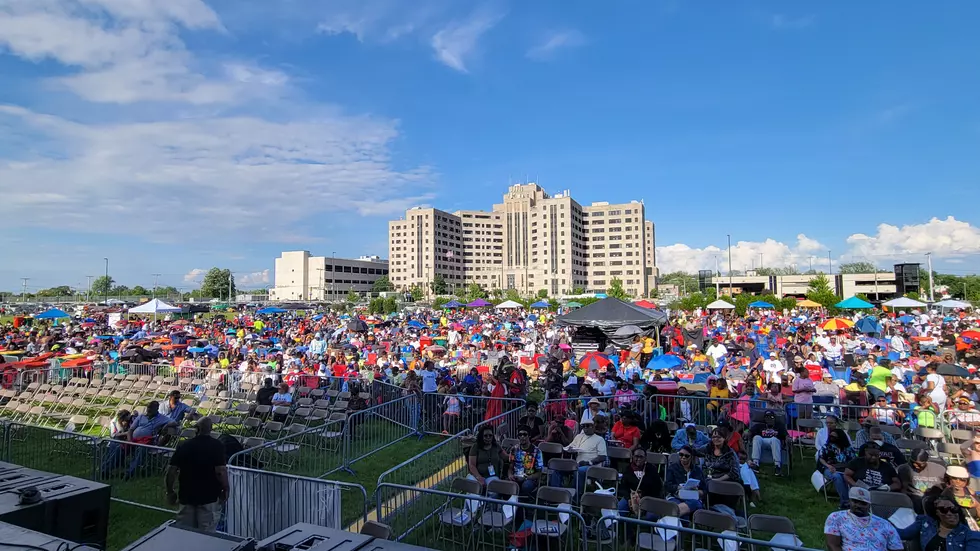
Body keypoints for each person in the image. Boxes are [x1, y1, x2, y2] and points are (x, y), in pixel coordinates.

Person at [165, 417, 228, 532]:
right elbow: (220, 471)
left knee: (184, 533)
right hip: (209, 496)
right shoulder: (217, 445)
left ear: (196, 429)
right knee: (206, 535)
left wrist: (170, 491)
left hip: (186, 495)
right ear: (211, 429)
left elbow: (171, 471)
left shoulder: (184, 445)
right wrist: (226, 488)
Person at [898, 488, 980, 551]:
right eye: (943, 510)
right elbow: (902, 534)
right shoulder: (925, 523)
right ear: (936, 513)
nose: (949, 513)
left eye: (953, 509)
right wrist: (885, 523)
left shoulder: (971, 535)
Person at [824, 487, 904, 551]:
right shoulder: (836, 517)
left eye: (863, 503)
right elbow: (833, 545)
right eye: (855, 501)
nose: (858, 505)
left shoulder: (884, 524)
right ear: (849, 501)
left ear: (869, 505)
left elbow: (897, 547)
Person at [548, 418, 607, 494]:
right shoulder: (579, 436)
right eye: (583, 426)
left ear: (593, 426)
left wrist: (589, 462)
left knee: (579, 471)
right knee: (557, 468)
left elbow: (602, 457)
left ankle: (576, 496)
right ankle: (556, 494)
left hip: (591, 466)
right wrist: (570, 450)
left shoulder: (599, 439)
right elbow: (569, 447)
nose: (585, 428)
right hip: (577, 464)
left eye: (587, 426)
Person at [617, 446, 663, 517]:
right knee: (620, 510)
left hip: (648, 498)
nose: (638, 459)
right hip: (631, 496)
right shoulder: (628, 469)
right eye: (636, 456)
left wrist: (641, 496)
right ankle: (626, 527)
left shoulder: (651, 469)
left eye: (641, 457)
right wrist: (629, 498)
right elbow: (623, 486)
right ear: (632, 457)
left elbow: (657, 487)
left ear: (645, 458)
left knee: (652, 516)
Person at [897, 450, 947, 514]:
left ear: (926, 461)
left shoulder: (939, 469)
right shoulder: (904, 468)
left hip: (934, 498)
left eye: (919, 464)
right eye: (912, 462)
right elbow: (903, 489)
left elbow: (945, 486)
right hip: (913, 498)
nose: (915, 465)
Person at [819, 428, 857, 509]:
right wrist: (828, 466)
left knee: (848, 476)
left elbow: (853, 460)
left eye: (834, 436)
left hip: (844, 469)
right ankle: (845, 502)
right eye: (831, 436)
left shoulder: (848, 448)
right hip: (829, 468)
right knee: (837, 477)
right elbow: (821, 458)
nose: (832, 438)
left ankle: (855, 499)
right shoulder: (827, 447)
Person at [664, 445, 705, 517]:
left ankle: (669, 516)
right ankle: (676, 515)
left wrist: (697, 492)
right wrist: (678, 487)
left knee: (694, 503)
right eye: (681, 455)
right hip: (676, 496)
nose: (683, 457)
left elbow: (704, 490)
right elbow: (667, 485)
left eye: (686, 456)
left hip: (693, 499)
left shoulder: (698, 470)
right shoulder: (673, 468)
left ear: (691, 457)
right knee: (684, 514)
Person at [467, 425, 508, 490]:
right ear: (481, 436)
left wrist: (513, 453)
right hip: (476, 476)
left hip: (492, 477)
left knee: (493, 491)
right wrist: (479, 478)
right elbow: (472, 465)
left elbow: (506, 458)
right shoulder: (475, 447)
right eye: (485, 436)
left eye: (490, 435)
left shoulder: (496, 446)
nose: (488, 437)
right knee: (474, 491)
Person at [749, 411, 787, 475]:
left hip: (774, 442)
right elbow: (749, 431)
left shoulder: (779, 426)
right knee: (756, 437)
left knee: (774, 439)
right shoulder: (759, 426)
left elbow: (786, 435)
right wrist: (746, 432)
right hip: (762, 441)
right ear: (764, 419)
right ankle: (755, 464)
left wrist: (788, 439)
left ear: (774, 418)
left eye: (771, 417)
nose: (769, 419)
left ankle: (777, 466)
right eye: (767, 417)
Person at [510, 428, 544, 498]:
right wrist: (510, 475)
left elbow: (539, 472)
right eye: (520, 435)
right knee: (507, 484)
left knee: (526, 486)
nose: (522, 437)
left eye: (525, 434)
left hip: (530, 478)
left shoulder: (537, 451)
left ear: (529, 436)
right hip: (515, 476)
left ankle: (522, 503)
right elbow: (510, 467)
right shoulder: (514, 449)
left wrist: (526, 478)